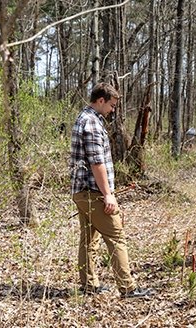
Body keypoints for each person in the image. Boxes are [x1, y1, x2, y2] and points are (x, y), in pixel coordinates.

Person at [70, 82, 153, 298]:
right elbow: (97, 163)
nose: (113, 110)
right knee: (116, 237)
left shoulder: (85, 119)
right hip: (93, 191)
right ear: (100, 101)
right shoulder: (91, 124)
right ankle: (128, 288)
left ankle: (89, 284)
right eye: (112, 105)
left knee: (88, 239)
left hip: (83, 191)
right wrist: (108, 195)